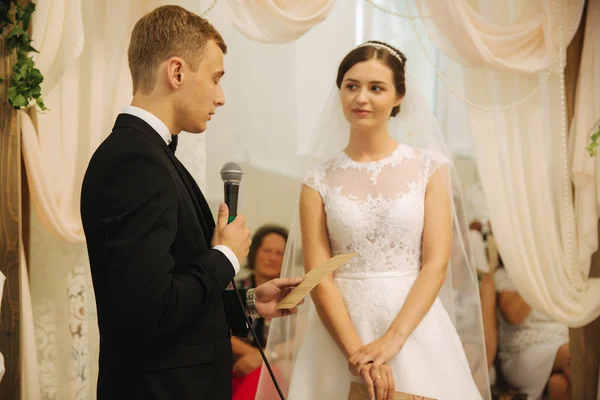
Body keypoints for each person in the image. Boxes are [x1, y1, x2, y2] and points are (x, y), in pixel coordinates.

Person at [80, 6, 301, 400]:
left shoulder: (149, 154)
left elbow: (172, 289)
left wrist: (248, 303)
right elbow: (150, 310)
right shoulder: (136, 162)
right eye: (216, 79)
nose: (221, 97)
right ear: (177, 72)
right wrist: (225, 257)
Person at [256, 41, 489, 400]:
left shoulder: (429, 167)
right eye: (352, 86)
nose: (361, 98)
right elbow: (319, 275)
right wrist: (357, 355)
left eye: (375, 88)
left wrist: (393, 340)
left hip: (414, 324)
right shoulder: (318, 179)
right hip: (340, 330)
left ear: (399, 97)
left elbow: (435, 263)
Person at [495, 266, 571, 399]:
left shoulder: (563, 272)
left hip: (562, 342)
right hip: (524, 353)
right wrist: (539, 275)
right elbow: (514, 316)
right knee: (571, 355)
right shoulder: (507, 275)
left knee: (559, 385)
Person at [231, 225, 289, 400]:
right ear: (254, 252)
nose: (272, 257)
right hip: (234, 364)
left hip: (278, 367)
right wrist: (252, 355)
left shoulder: (292, 294)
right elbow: (216, 326)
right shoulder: (232, 288)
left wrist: (262, 357)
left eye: (279, 253)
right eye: (267, 251)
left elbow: (299, 338)